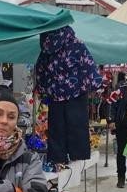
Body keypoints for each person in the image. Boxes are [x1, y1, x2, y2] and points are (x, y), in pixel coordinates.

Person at [33, 26, 103, 168]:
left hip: (55, 92)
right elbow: (88, 64)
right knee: (77, 124)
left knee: (56, 128)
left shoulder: (46, 46)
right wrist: (95, 83)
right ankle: (78, 154)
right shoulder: (76, 43)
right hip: (76, 91)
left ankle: (58, 158)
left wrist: (42, 87)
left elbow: (40, 69)